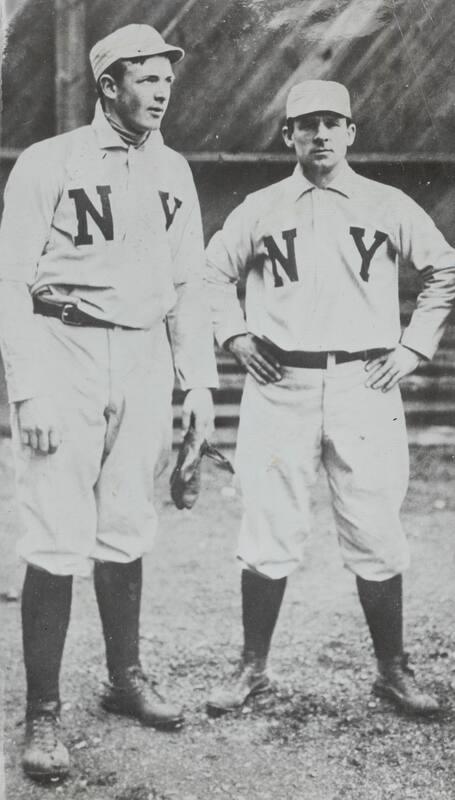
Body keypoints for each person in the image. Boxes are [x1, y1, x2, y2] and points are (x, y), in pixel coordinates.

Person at [0, 24, 218, 782]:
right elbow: (10, 283)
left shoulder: (174, 170)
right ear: (107, 85)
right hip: (65, 349)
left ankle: (124, 679)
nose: (160, 92)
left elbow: (190, 284)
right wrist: (26, 388)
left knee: (126, 521)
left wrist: (198, 383)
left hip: (144, 355)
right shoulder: (47, 162)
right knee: (57, 532)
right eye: (144, 78)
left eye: (165, 79)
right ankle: (44, 713)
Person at [204, 79, 455, 718]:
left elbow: (444, 270)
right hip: (278, 382)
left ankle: (392, 671)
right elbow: (209, 275)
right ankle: (252, 668)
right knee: (267, 526)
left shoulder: (386, 202)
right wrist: (233, 335)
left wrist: (412, 349)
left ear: (350, 133)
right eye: (306, 124)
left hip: (364, 382)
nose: (320, 134)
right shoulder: (260, 208)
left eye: (332, 123)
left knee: (375, 524)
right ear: (287, 134)